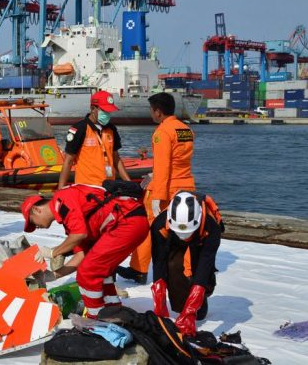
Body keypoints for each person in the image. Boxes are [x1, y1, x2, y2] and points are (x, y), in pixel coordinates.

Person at [22, 184, 149, 318]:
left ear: (36, 209)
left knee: (88, 273)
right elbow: (81, 255)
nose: (36, 227)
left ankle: (96, 319)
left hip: (126, 221)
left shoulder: (61, 198)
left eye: (32, 222)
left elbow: (79, 234)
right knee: (99, 271)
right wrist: (53, 275)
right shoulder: (69, 219)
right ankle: (113, 310)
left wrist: (53, 252)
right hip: (128, 221)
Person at [118, 92, 196, 284]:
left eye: (151, 110)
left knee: (148, 229)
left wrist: (157, 197)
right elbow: (178, 162)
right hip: (186, 186)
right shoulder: (185, 130)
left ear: (158, 112)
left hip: (166, 190)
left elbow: (163, 167)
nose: (151, 114)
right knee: (184, 231)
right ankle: (188, 270)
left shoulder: (162, 132)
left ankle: (139, 269)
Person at [151, 191, 222, 337]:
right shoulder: (159, 224)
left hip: (200, 239)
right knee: (173, 266)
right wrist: (160, 304)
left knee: (200, 272)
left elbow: (206, 263)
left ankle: (198, 303)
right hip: (172, 239)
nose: (185, 237)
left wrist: (191, 312)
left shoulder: (211, 227)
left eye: (187, 233)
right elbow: (159, 261)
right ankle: (182, 304)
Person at [58, 90, 131, 189]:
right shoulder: (80, 128)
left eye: (109, 111)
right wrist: (60, 189)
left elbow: (116, 158)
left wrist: (130, 184)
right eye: (104, 111)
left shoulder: (111, 129)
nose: (107, 114)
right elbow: (69, 160)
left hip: (108, 187)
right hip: (86, 188)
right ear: (93, 108)